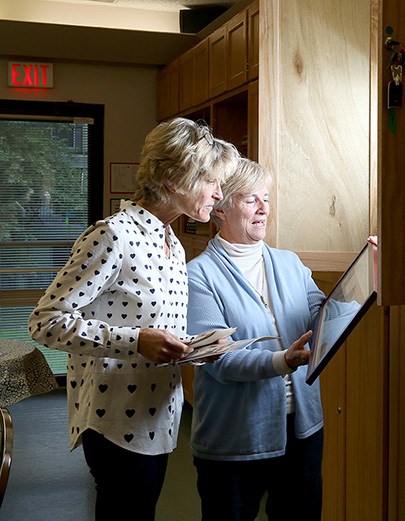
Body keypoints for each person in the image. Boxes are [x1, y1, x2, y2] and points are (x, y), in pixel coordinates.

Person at [28, 117, 240, 521]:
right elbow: (46, 321)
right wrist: (135, 341)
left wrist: (194, 349)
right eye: (212, 181)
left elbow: (155, 328)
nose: (219, 193)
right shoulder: (112, 235)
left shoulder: (172, 242)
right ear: (177, 178)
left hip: (158, 416)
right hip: (113, 420)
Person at [186, 157, 326, 521]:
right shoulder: (197, 276)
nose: (264, 208)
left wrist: (370, 275)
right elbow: (217, 359)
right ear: (222, 207)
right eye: (252, 200)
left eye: (266, 198)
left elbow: (323, 315)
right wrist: (282, 361)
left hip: (303, 431)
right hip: (235, 443)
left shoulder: (290, 263)